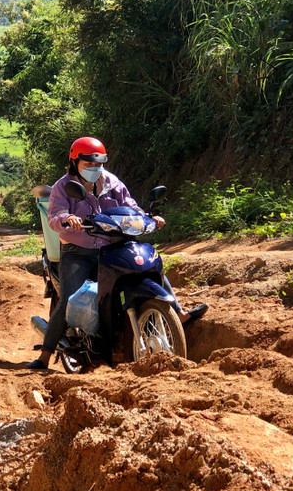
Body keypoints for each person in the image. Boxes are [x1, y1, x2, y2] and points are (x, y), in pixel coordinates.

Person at [27, 137, 207, 370]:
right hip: (78, 251)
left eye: (98, 164)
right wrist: (67, 219)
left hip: (112, 246)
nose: (94, 169)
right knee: (69, 301)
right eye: (88, 164)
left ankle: (178, 313)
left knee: (150, 267)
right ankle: (45, 355)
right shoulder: (64, 185)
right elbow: (54, 217)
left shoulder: (112, 182)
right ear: (75, 162)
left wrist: (147, 218)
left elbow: (131, 206)